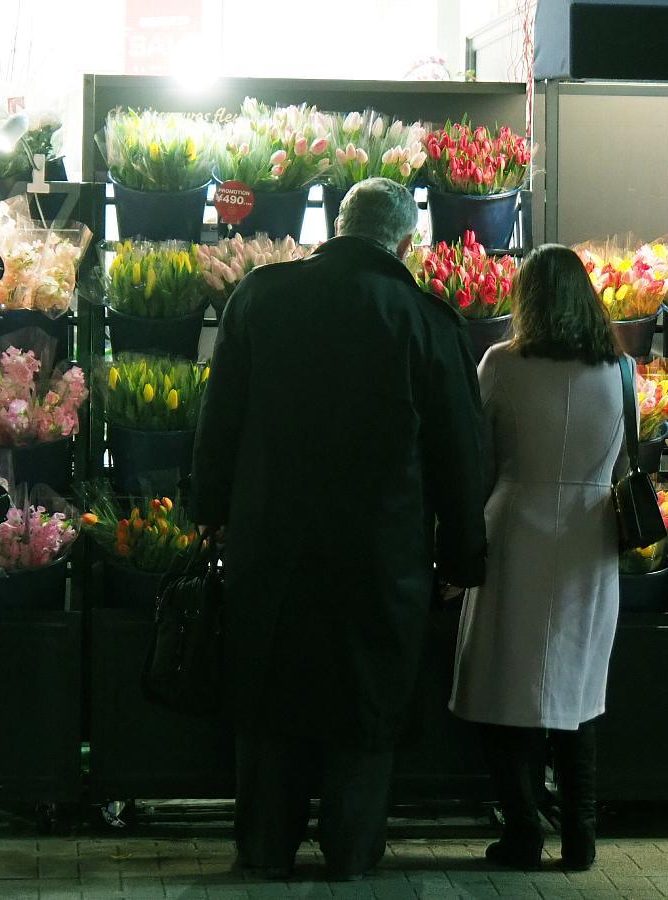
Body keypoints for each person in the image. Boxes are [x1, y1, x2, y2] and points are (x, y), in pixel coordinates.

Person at [191, 177, 487, 881]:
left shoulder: (258, 299)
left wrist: (209, 516)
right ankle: (352, 854)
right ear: (406, 242)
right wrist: (462, 559)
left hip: (272, 545)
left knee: (271, 700)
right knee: (366, 706)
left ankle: (265, 848)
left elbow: (218, 424)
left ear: (334, 224)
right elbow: (460, 453)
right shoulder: (427, 320)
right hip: (382, 556)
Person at [449, 243, 629, 872]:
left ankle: (522, 831)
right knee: (579, 690)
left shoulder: (501, 363)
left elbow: (478, 453)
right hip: (591, 535)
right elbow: (627, 457)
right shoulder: (619, 369)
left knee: (504, 685)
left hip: (516, 527)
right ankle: (580, 836)